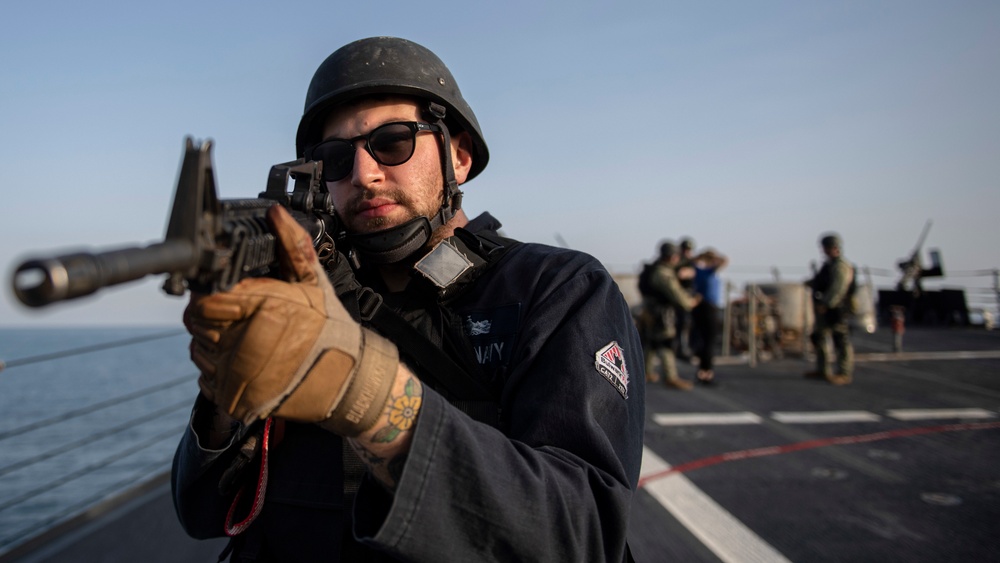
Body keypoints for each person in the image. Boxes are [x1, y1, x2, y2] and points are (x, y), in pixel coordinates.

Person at [170, 36, 645, 562]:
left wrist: (367, 397)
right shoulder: (305, 303)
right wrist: (223, 403)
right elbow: (204, 515)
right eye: (334, 158)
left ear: (458, 157)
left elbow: (584, 533)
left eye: (392, 142)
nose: (364, 174)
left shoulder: (554, 288)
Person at [637, 241, 701, 390]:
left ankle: (646, 372)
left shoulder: (655, 269)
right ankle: (670, 377)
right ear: (672, 257)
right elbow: (677, 294)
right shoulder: (663, 273)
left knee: (652, 343)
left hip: (651, 311)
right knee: (666, 343)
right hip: (661, 313)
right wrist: (691, 302)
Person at [805, 233, 855, 386]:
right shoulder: (830, 265)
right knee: (819, 337)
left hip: (835, 309)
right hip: (826, 308)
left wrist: (826, 304)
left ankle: (844, 373)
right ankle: (822, 370)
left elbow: (838, 288)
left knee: (840, 340)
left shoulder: (840, 266)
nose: (824, 250)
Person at [691, 248, 728, 385]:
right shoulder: (707, 271)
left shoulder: (699, 271)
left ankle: (702, 371)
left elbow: (692, 261)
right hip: (708, 307)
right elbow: (724, 260)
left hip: (700, 307)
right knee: (709, 341)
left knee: (704, 341)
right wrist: (711, 256)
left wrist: (703, 256)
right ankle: (706, 373)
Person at [673, 237, 697, 360]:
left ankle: (686, 348)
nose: (687, 252)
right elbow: (679, 274)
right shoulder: (678, 262)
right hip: (680, 299)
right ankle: (681, 349)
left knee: (688, 324)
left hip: (690, 297)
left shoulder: (691, 262)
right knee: (681, 324)